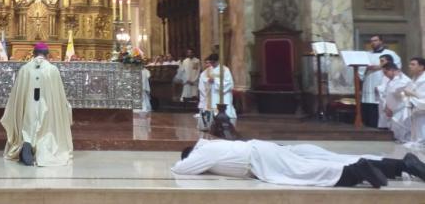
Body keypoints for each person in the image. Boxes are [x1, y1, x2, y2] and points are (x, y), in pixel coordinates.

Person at [172, 138, 425, 188]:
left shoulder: (202, 151)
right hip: (265, 148)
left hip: (259, 159)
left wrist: (180, 163)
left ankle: (358, 171)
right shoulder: (217, 144)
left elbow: (183, 168)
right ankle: (400, 165)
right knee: (327, 159)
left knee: (310, 173)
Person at [0, 42, 73, 166]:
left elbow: (17, 95)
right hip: (47, 107)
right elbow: (59, 96)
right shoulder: (52, 70)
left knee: (29, 123)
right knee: (46, 125)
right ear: (47, 54)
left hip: (29, 105)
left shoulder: (25, 69)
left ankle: (26, 144)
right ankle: (41, 148)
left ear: (33, 54)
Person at [361, 35, 401, 128]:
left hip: (383, 79)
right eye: (371, 41)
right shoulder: (367, 54)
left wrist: (379, 67)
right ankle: (369, 123)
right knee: (369, 101)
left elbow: (396, 66)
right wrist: (366, 68)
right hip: (369, 80)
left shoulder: (391, 53)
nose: (373, 43)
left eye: (375, 40)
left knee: (380, 101)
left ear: (381, 41)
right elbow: (361, 68)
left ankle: (382, 125)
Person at [198, 53, 236, 124]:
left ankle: (225, 116)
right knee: (212, 107)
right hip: (212, 92)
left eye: (213, 62)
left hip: (223, 94)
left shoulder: (225, 70)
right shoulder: (208, 70)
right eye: (211, 62)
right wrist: (208, 80)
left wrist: (215, 81)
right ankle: (212, 117)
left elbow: (229, 83)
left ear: (218, 61)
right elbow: (203, 79)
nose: (212, 64)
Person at [380, 59, 411, 142]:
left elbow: (396, 91)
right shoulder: (390, 80)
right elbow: (387, 94)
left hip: (402, 108)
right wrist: (387, 107)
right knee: (396, 129)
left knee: (404, 129)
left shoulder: (403, 79)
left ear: (392, 70)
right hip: (393, 109)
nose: (385, 75)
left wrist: (397, 77)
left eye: (386, 72)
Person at [404, 57, 425, 148]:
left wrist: (411, 93)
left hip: (421, 105)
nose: (410, 66)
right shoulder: (414, 78)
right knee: (415, 122)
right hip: (416, 105)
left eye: (413, 64)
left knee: (422, 123)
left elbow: (422, 95)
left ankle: (421, 141)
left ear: (421, 67)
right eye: (410, 64)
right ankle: (416, 140)